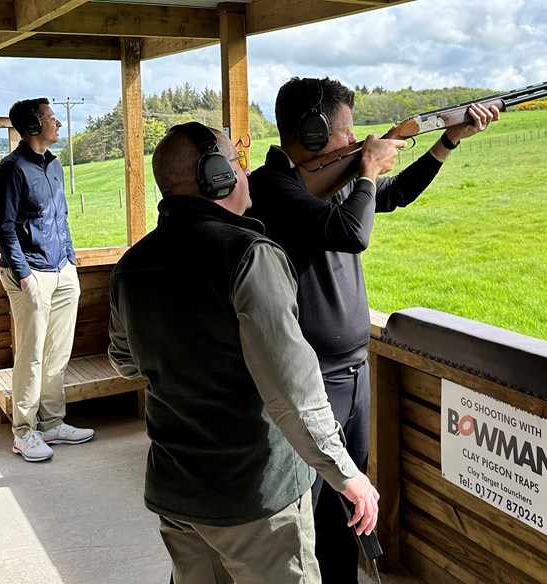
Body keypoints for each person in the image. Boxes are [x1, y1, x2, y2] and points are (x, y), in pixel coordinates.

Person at [246, 76, 498, 583]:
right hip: (308, 382)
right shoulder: (271, 187)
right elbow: (351, 233)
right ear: (315, 133)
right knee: (306, 514)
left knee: (350, 510)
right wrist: (364, 172)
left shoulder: (335, 179)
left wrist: (446, 141)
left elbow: (397, 192)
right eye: (346, 130)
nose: (356, 139)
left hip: (354, 374)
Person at [107, 121, 379, 584]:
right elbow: (292, 389)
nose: (244, 170)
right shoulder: (248, 255)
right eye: (236, 161)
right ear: (217, 176)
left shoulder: (132, 264)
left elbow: (124, 359)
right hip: (254, 496)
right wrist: (347, 475)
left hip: (177, 493)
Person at [0, 97, 93, 463]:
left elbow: (60, 215)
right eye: (52, 118)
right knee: (32, 356)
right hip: (29, 274)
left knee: (57, 354)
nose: (59, 124)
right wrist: (24, 275)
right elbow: (3, 228)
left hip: (61, 269)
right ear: (33, 126)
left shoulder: (54, 166)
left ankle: (52, 423)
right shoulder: (10, 170)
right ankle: (24, 432)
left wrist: (70, 260)